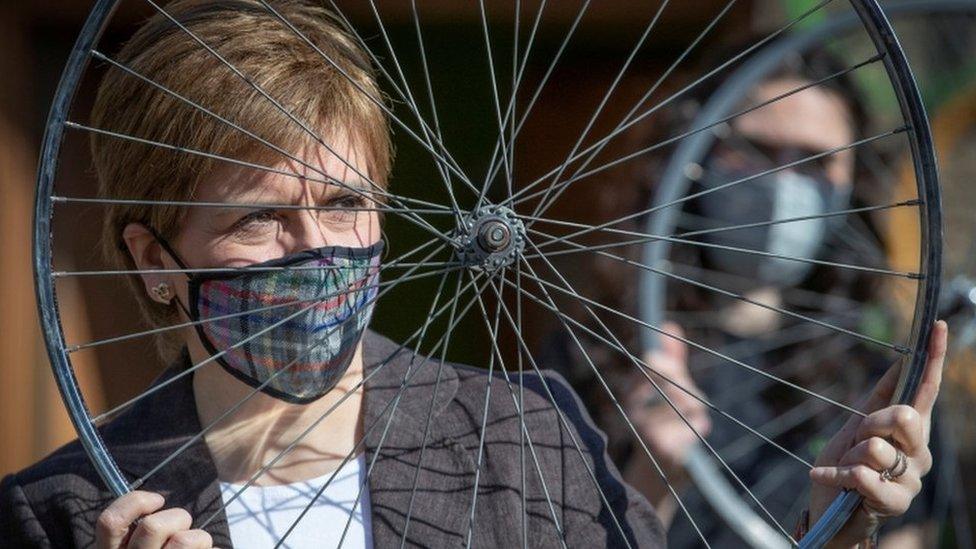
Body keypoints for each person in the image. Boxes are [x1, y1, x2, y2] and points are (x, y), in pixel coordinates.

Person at [0, 2, 945, 548]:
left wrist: (839, 526)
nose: (316, 248)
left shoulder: (526, 439)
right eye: (260, 218)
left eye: (343, 204)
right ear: (153, 261)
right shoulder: (65, 511)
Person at [538, 41, 945, 547]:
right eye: (755, 151)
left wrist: (857, 524)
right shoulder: (589, 358)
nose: (781, 183)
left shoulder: (881, 392)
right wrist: (651, 475)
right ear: (694, 158)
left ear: (854, 181)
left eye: (815, 162)